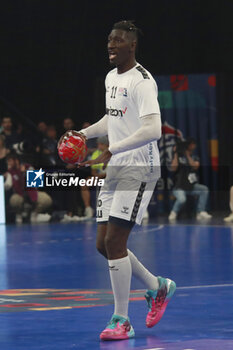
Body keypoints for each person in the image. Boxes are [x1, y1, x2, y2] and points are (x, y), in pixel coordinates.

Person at [59, 20, 176, 341]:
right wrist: (84, 133)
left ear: (132, 45)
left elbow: (153, 130)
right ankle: (158, 287)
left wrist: (113, 149)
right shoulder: (112, 77)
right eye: (109, 40)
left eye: (118, 41)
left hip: (139, 167)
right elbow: (113, 119)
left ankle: (121, 320)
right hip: (118, 166)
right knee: (103, 245)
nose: (111, 45)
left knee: (114, 243)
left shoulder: (143, 82)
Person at [168, 138, 212, 221]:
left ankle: (200, 212)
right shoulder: (178, 157)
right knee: (182, 199)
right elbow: (173, 168)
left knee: (204, 189)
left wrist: (187, 155)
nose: (191, 146)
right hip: (179, 187)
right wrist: (176, 153)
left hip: (191, 186)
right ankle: (173, 212)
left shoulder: (194, 157)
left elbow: (195, 166)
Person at [4, 153, 52, 224]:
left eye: (10, 161)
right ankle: (19, 213)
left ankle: (34, 212)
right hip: (20, 195)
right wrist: (6, 177)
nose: (9, 163)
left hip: (32, 193)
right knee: (14, 200)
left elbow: (36, 184)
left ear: (16, 161)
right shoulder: (10, 172)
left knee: (46, 199)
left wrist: (27, 173)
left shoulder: (29, 167)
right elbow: (8, 187)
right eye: (8, 161)